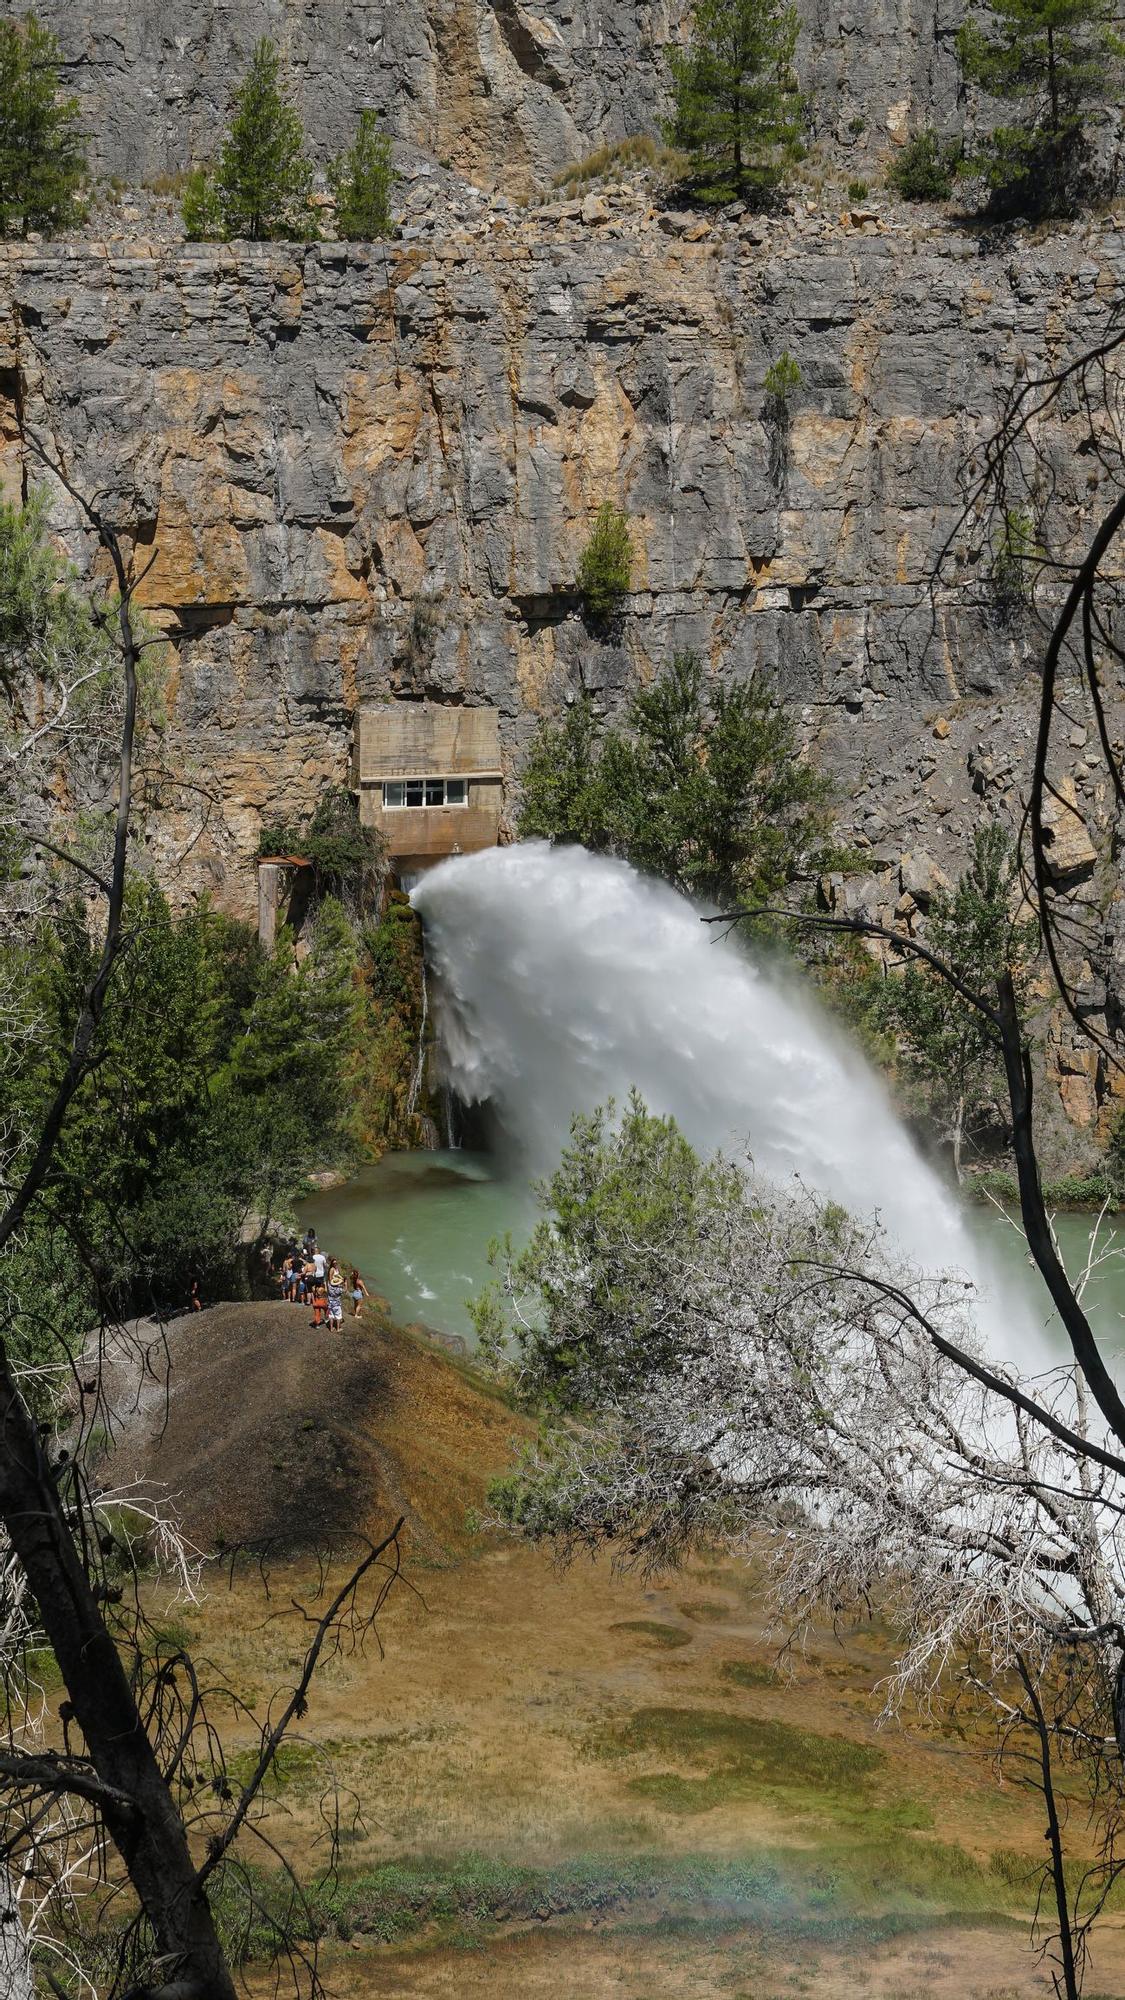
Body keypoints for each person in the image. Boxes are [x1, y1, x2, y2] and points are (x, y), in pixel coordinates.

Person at [326, 1262, 345, 1330]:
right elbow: (345, 1291)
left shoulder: (330, 1288)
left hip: (330, 1303)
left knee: (331, 1316)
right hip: (337, 1304)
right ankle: (338, 1328)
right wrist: (345, 1284)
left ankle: (331, 1328)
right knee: (338, 1316)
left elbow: (330, 1282)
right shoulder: (339, 1289)